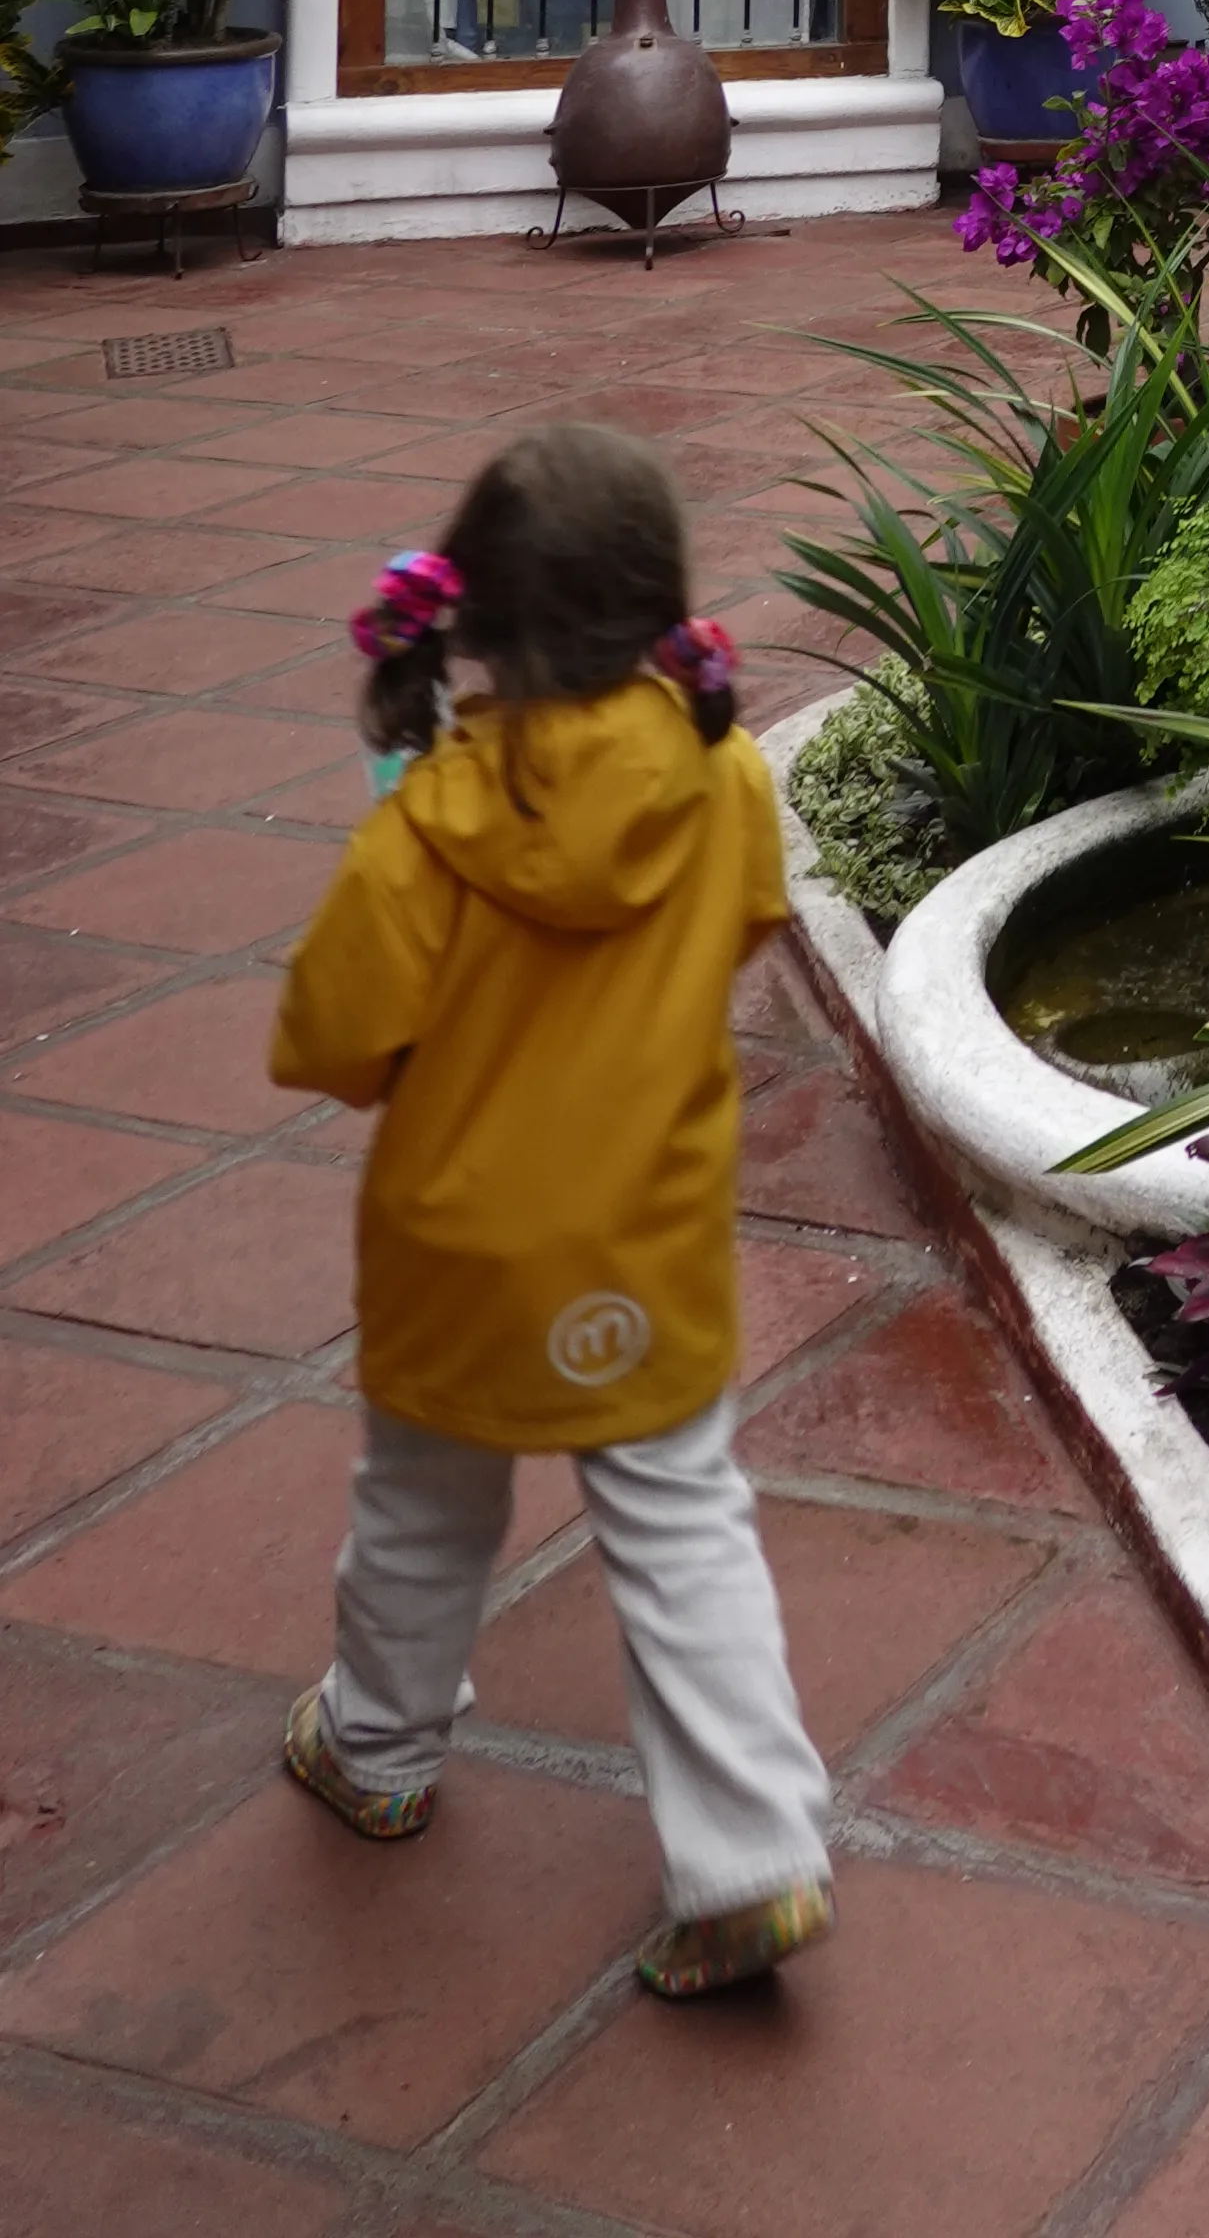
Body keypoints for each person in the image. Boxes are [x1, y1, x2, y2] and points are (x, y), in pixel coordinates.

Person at [269, 422, 833, 1997]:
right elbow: (742, 928)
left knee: (423, 1508)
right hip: (647, 1240)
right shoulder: (723, 777)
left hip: (457, 1259)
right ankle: (753, 1858)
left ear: (480, 634)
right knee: (681, 1525)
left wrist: (401, 821)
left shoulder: (426, 831)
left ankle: (375, 1751)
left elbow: (337, 1047)